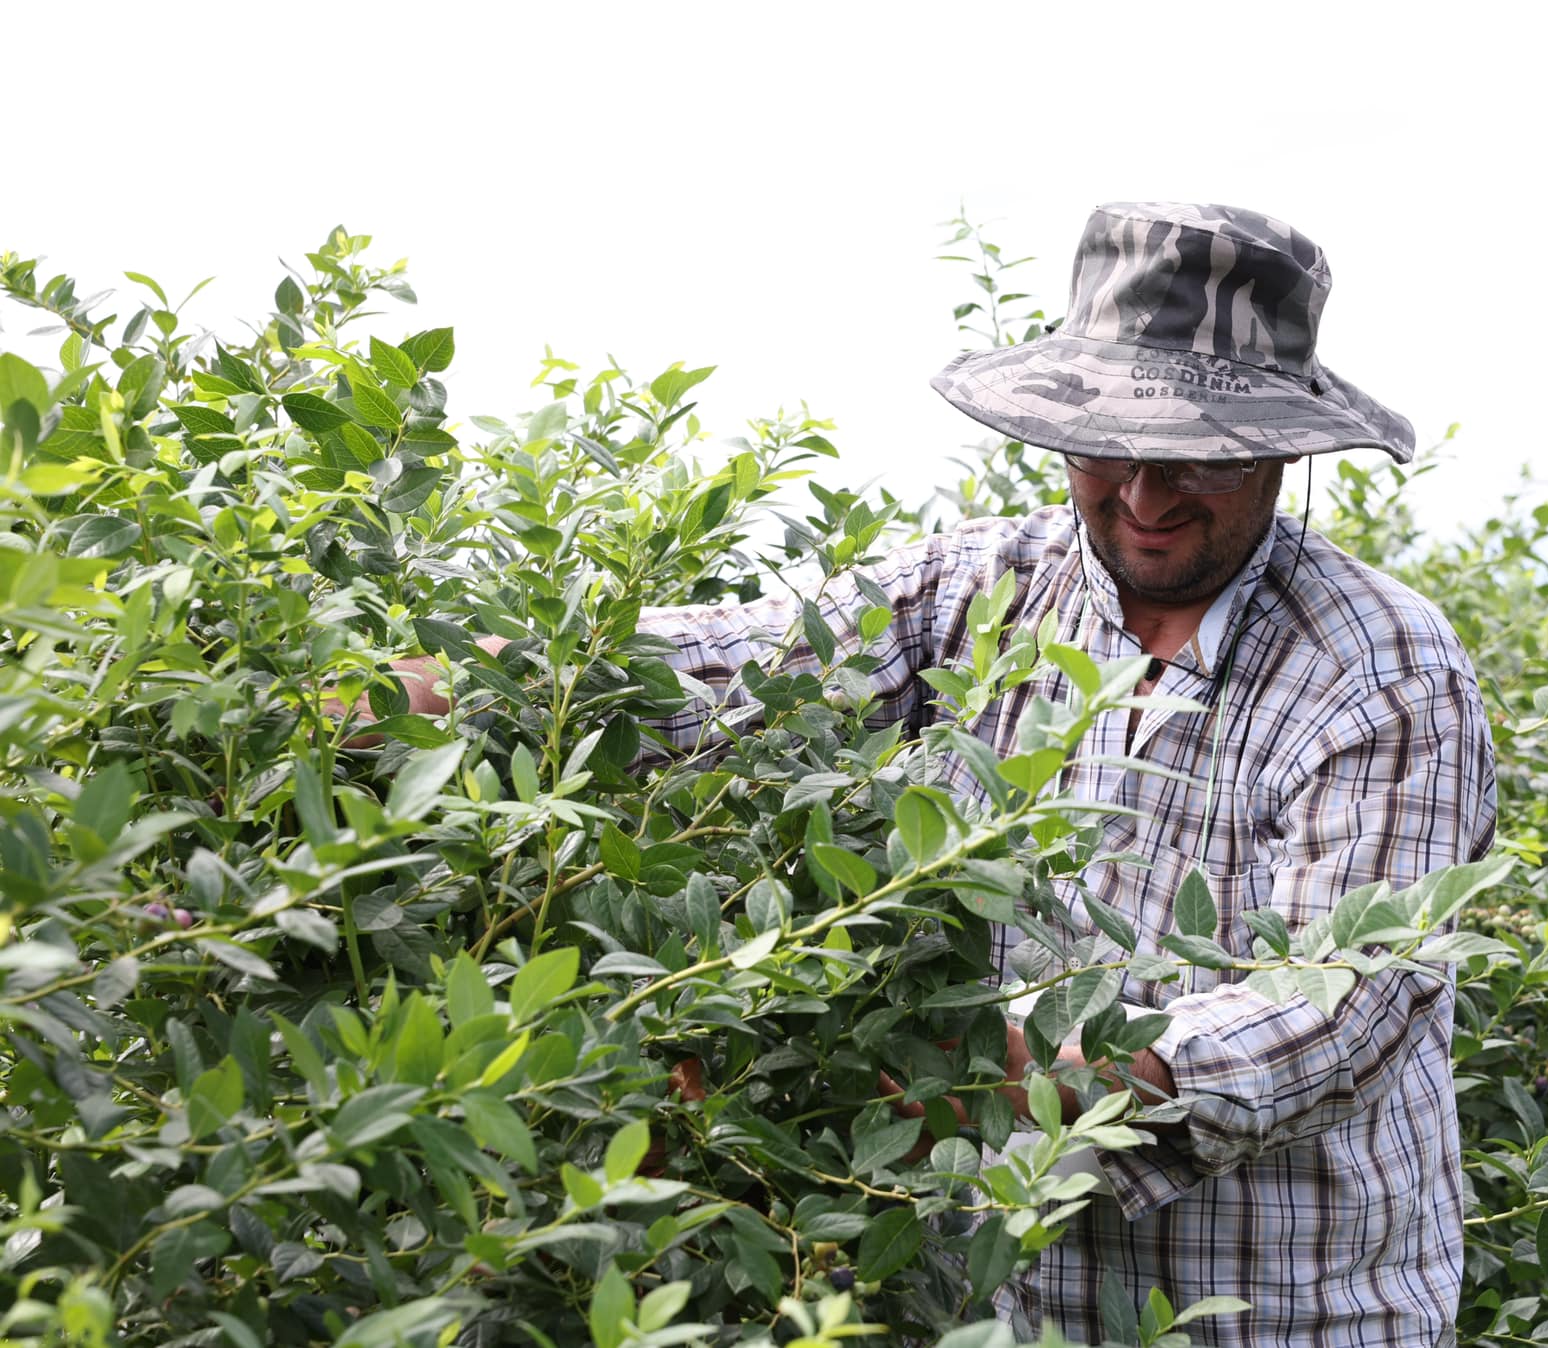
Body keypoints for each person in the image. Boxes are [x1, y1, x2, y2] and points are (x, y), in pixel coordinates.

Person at [631, 203, 1498, 1348]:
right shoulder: (984, 584)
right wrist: (494, 680)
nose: (1142, 496)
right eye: (1104, 449)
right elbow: (748, 665)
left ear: (1281, 451)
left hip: (1283, 1310)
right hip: (1000, 1302)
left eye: (1198, 456)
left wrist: (1028, 1075)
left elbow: (1341, 1002)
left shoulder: (1381, 668)